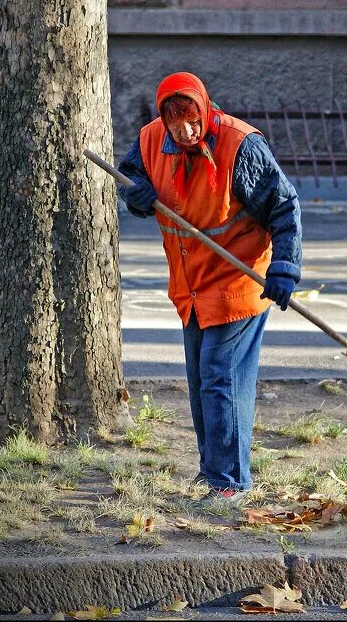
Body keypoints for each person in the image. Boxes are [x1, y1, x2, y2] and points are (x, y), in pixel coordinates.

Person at [117, 72, 302, 497]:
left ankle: (228, 484)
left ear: (205, 109)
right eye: (174, 122)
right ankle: (213, 471)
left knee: (221, 377)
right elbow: (131, 176)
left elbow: (284, 206)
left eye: (192, 120)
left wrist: (286, 268)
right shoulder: (150, 142)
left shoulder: (240, 147)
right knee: (203, 381)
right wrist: (137, 196)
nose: (184, 130)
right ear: (163, 118)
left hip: (239, 279)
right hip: (192, 288)